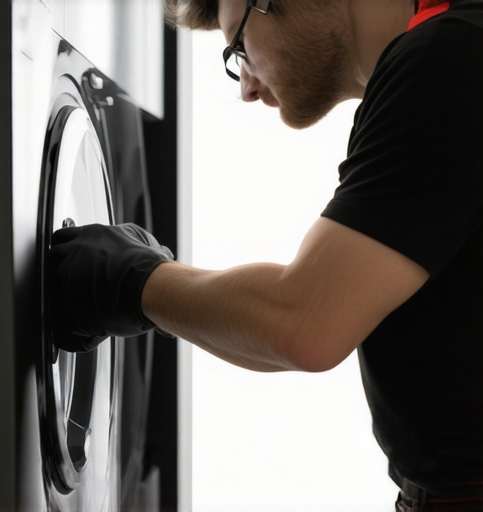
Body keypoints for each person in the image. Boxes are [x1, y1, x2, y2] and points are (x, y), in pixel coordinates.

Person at [49, 0, 483, 510]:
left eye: (239, 48)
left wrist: (130, 280)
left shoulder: (448, 57)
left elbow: (303, 324)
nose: (247, 88)